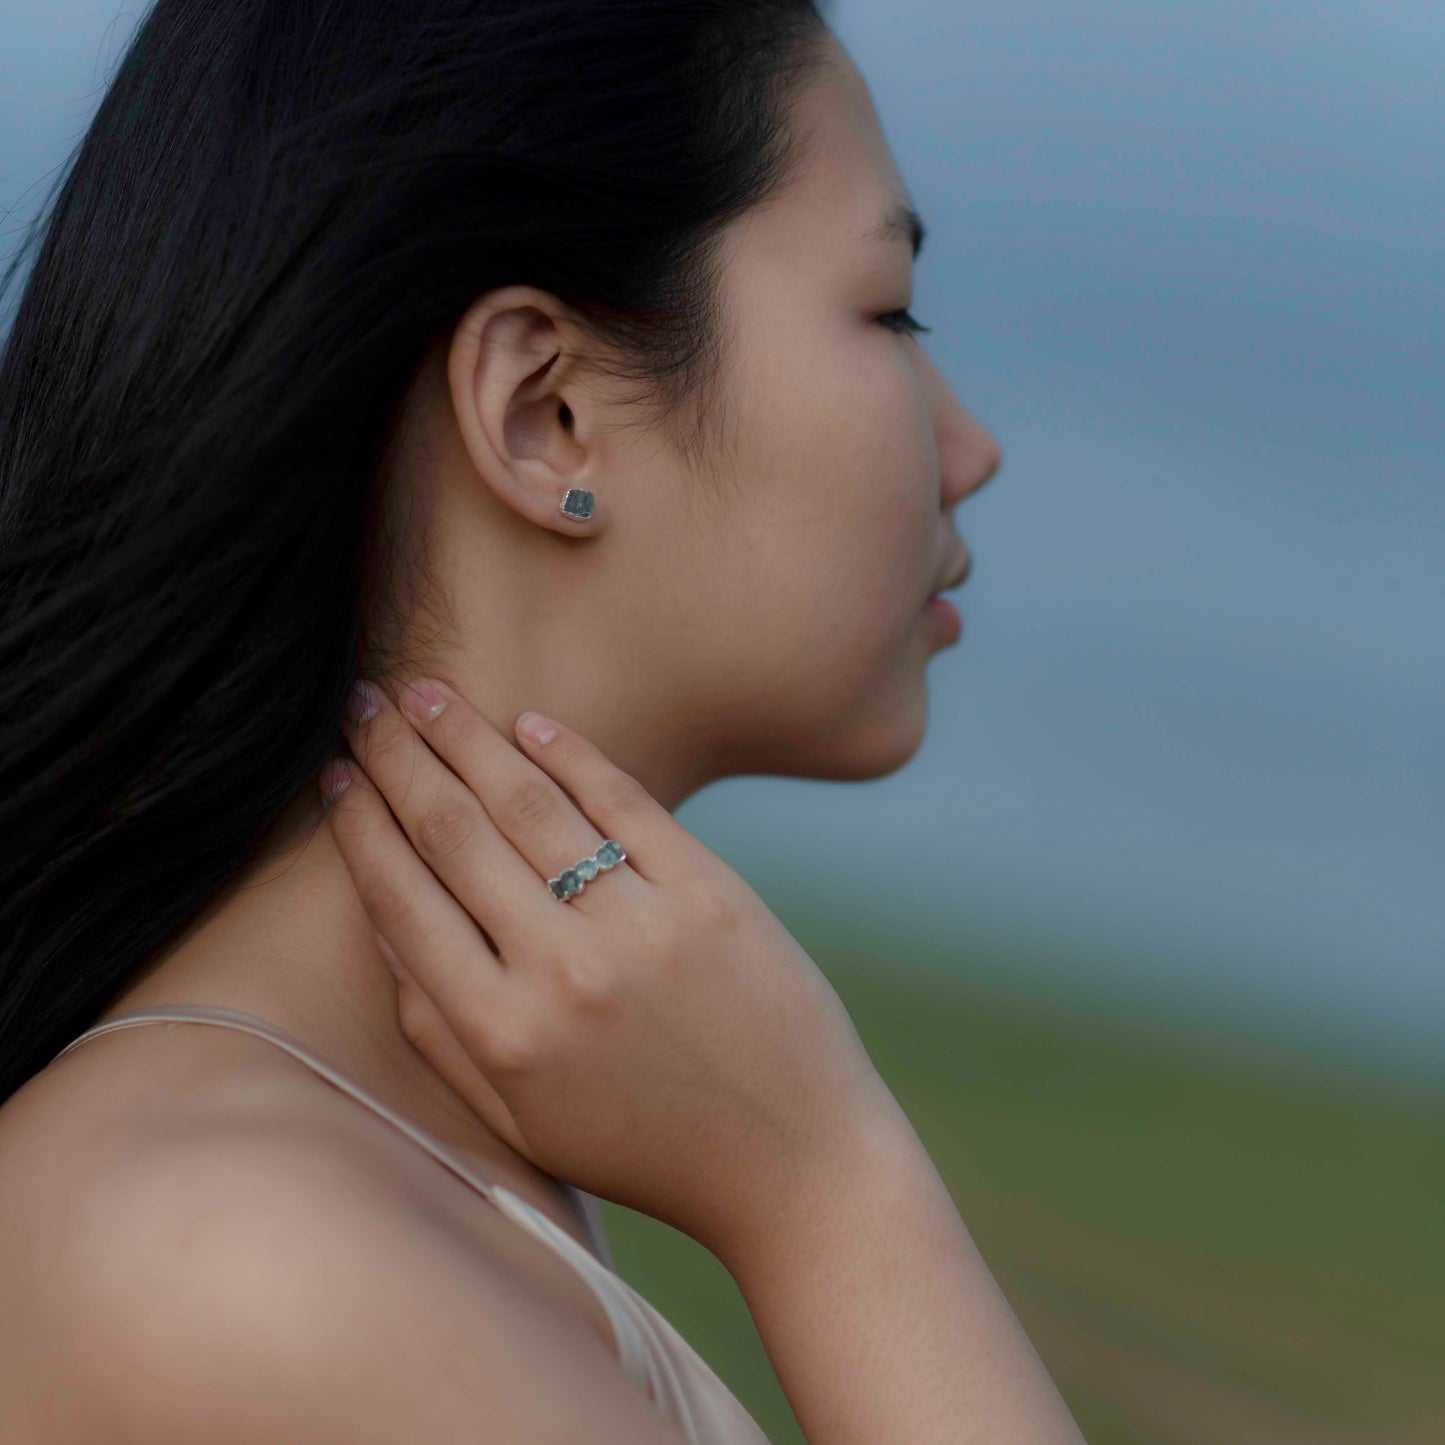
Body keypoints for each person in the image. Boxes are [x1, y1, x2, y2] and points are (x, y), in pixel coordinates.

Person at [0, 0, 1082, 1440]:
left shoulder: (350, 1162)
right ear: (544, 411)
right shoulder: (254, 1252)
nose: (971, 446)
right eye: (886, 311)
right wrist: (828, 1190)